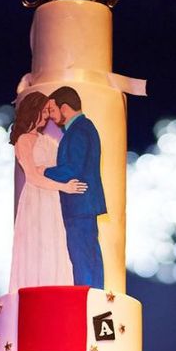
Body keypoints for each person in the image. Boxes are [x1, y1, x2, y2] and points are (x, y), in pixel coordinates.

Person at [8, 91, 87, 292]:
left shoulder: (48, 140)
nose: (45, 117)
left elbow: (61, 163)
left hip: (51, 198)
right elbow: (33, 176)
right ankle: (33, 291)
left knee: (54, 243)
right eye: (42, 112)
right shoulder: (24, 140)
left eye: (47, 111)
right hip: (36, 197)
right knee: (37, 243)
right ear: (32, 111)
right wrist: (64, 186)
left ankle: (54, 290)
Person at [41, 86, 107, 289]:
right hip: (83, 205)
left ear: (65, 107)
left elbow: (73, 168)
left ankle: (86, 298)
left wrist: (42, 171)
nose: (51, 117)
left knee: (82, 256)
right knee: (89, 255)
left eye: (52, 111)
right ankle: (93, 296)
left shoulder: (78, 131)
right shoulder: (84, 127)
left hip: (79, 205)